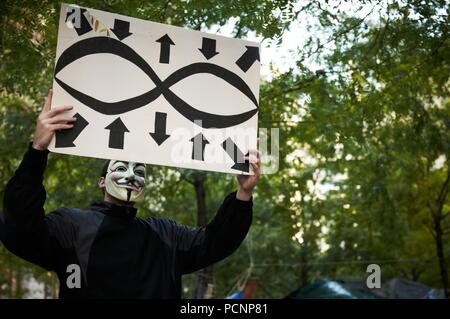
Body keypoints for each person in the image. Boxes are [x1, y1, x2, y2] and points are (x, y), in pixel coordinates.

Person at [0, 90, 261, 299]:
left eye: (139, 171)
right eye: (122, 168)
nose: (131, 176)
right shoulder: (71, 227)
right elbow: (22, 226)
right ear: (102, 182)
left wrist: (243, 193)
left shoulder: (164, 235)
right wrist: (37, 150)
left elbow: (216, 242)